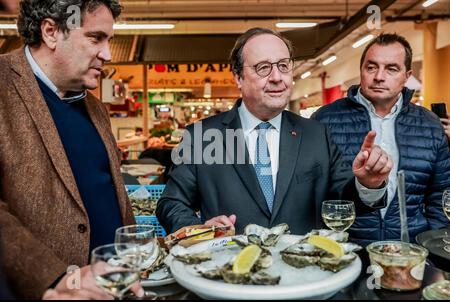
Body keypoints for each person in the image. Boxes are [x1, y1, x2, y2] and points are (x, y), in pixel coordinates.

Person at [156, 28, 393, 235]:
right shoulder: (202, 137)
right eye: (263, 68)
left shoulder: (316, 134)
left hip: (302, 277)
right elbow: (170, 203)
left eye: (283, 66)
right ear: (238, 76)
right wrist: (199, 230)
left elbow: (343, 202)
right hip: (228, 275)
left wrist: (368, 185)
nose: (277, 77)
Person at [0, 0, 142, 299]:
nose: (107, 54)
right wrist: (57, 278)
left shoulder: (94, 106)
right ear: (51, 31)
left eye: (109, 40)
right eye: (95, 38)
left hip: (115, 286)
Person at [312, 33, 450, 245]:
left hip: (410, 250)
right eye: (371, 67)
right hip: (345, 250)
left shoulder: (429, 124)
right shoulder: (324, 120)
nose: (379, 76)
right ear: (361, 71)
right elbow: (313, 190)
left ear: (407, 75)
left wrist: (431, 244)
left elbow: (440, 195)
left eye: (392, 69)